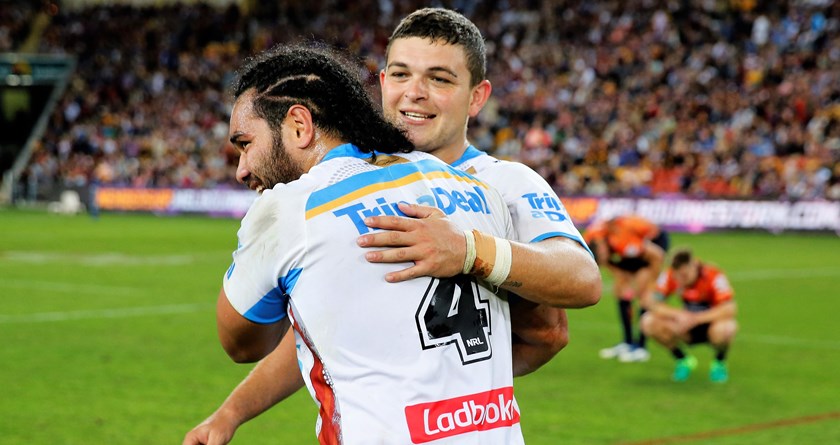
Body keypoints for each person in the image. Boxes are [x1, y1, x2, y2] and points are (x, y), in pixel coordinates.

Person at [185, 8, 601, 445]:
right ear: (382, 83)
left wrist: (469, 252)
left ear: (477, 97)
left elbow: (562, 309)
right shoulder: (353, 183)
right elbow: (336, 333)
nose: (414, 93)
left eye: (439, 79)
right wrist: (231, 413)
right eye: (401, 74)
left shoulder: (499, 183)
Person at [217, 42, 534, 443]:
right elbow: (547, 331)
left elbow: (242, 343)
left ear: (299, 125)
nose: (242, 169)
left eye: (246, 144)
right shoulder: (475, 189)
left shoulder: (291, 208)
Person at [640, 248, 738, 382]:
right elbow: (651, 302)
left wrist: (696, 319)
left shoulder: (713, 275)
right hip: (685, 327)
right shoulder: (670, 274)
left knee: (727, 328)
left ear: (694, 266)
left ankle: (719, 362)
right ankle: (683, 360)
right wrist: (678, 315)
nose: (680, 280)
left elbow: (729, 309)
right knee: (648, 321)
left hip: (711, 325)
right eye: (677, 276)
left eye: (684, 275)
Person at [584, 214, 669, 362]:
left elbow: (657, 256)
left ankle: (641, 348)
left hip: (653, 248)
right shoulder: (590, 240)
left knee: (643, 295)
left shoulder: (623, 241)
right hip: (626, 251)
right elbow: (608, 263)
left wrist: (652, 285)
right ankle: (628, 342)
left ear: (604, 250)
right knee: (621, 292)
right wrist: (623, 278)